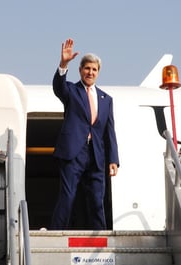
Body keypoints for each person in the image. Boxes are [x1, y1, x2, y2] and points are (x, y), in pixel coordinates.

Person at [50, 38, 119, 230]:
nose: (90, 72)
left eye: (94, 69)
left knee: (97, 199)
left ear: (98, 72)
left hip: (97, 155)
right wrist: (63, 64)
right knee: (68, 195)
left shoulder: (107, 99)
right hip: (73, 152)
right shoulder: (71, 90)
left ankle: (100, 238)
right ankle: (56, 234)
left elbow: (109, 131)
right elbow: (58, 87)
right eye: (87, 68)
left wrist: (113, 159)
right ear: (80, 70)